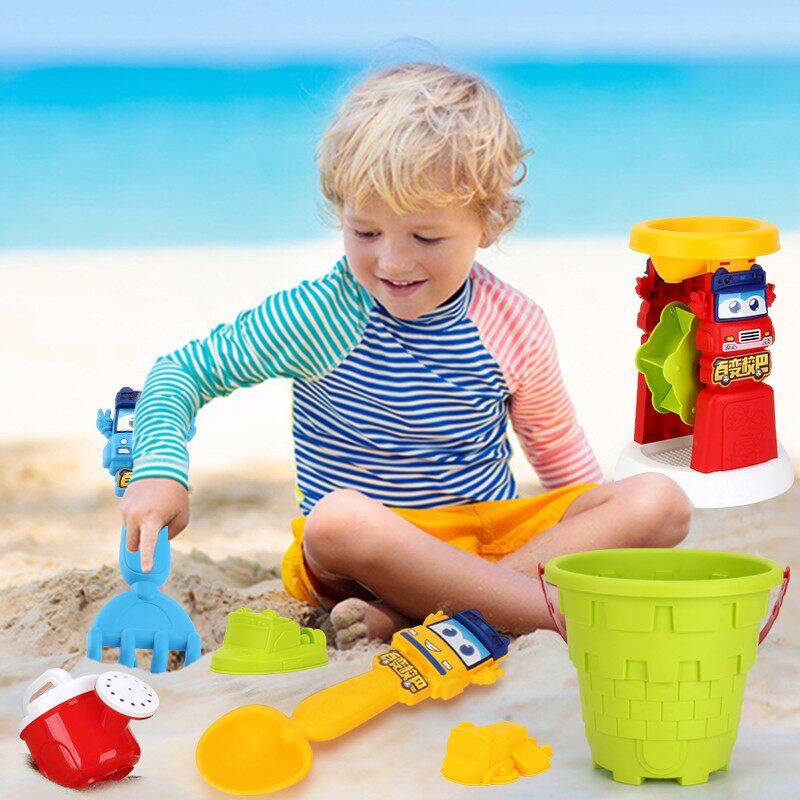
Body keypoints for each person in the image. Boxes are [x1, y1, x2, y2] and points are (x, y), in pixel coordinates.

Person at [123, 63, 691, 647]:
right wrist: (159, 471)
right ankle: (542, 613)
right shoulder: (321, 315)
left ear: (491, 222)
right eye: (366, 233)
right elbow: (182, 372)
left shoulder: (513, 322)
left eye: (425, 237)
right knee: (338, 520)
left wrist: (599, 531)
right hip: (369, 560)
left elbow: (558, 452)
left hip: (489, 542)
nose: (392, 262)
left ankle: (427, 614)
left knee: (660, 500)